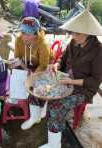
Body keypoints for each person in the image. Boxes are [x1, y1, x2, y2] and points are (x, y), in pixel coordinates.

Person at [22, 10, 102, 148]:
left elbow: (95, 81)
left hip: (82, 89)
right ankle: (35, 117)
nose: (73, 36)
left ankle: (54, 144)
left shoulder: (99, 51)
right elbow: (62, 59)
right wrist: (56, 65)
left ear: (88, 33)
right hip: (63, 79)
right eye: (72, 32)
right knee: (35, 88)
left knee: (55, 106)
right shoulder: (73, 42)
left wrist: (71, 81)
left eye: (77, 33)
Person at [10, 16, 50, 126]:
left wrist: (31, 77)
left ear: (35, 34)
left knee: (38, 86)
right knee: (14, 77)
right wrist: (15, 63)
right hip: (26, 66)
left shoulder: (43, 45)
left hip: (41, 68)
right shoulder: (19, 40)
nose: (24, 36)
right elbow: (17, 57)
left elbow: (43, 65)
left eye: (28, 33)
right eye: (22, 32)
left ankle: (42, 106)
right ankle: (19, 98)